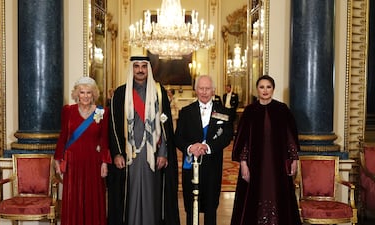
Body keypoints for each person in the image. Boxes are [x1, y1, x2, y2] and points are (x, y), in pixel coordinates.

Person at [108, 56, 180, 225]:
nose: (140, 70)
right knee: (129, 193)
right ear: (131, 69)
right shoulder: (120, 94)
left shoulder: (159, 92)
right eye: (136, 66)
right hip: (129, 154)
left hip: (152, 154)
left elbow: (165, 125)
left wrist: (163, 153)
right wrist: (117, 153)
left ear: (149, 69)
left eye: (143, 66)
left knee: (151, 194)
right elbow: (113, 126)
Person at [230, 75, 301, 225]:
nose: (265, 90)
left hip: (278, 164)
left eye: (268, 87)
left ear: (273, 89)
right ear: (257, 90)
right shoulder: (249, 111)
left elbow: (290, 137)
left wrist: (294, 159)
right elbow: (243, 141)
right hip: (254, 165)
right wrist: (243, 164)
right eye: (262, 87)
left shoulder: (282, 109)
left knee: (279, 194)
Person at [175, 75, 233, 225]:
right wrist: (190, 147)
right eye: (201, 88)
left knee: (211, 206)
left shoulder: (224, 112)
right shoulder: (186, 112)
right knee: (191, 205)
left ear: (213, 90)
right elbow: (178, 138)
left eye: (208, 88)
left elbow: (227, 136)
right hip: (191, 165)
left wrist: (208, 147)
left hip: (213, 165)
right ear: (196, 90)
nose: (204, 92)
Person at [54, 76, 111, 225]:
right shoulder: (68, 110)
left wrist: (105, 162)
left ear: (94, 94)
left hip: (94, 161)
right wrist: (57, 159)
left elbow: (104, 139)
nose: (85, 96)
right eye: (82, 92)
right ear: (77, 94)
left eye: (89, 93)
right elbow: (63, 136)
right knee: (74, 198)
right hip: (73, 162)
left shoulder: (102, 112)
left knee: (93, 198)